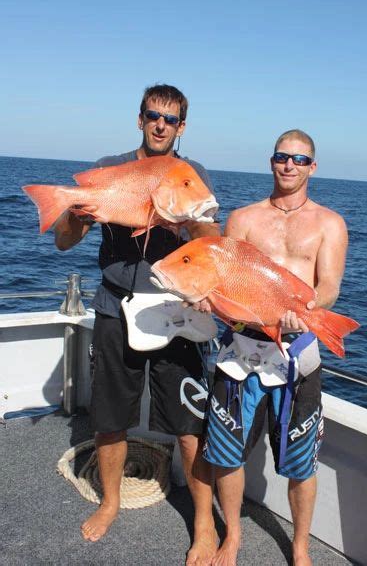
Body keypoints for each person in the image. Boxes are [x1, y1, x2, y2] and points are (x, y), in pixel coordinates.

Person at [54, 84, 220, 564]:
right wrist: (77, 215)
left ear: (182, 126)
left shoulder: (194, 174)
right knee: (109, 417)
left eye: (170, 119)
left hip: (177, 313)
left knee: (190, 424)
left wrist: (186, 222)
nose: (161, 124)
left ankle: (204, 524)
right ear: (140, 119)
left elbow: (213, 236)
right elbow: (66, 241)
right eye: (153, 115)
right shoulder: (113, 168)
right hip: (114, 306)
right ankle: (110, 502)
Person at [201, 129, 349, 566]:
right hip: (240, 351)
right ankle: (232, 537)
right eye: (282, 157)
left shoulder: (329, 223)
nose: (289, 165)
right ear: (271, 161)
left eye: (300, 160)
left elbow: (329, 287)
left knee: (301, 465)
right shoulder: (244, 219)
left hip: (297, 351)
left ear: (313, 167)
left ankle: (300, 546)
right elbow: (227, 280)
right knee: (226, 455)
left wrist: (299, 309)